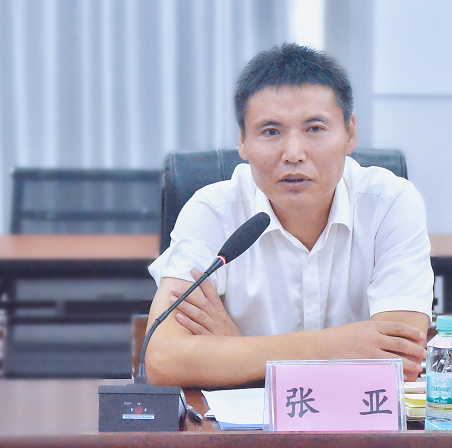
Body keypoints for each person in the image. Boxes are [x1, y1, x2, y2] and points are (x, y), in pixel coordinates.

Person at [146, 43, 433, 388]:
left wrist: (235, 349)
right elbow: (162, 359)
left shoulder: (390, 203)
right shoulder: (212, 211)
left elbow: (398, 362)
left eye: (315, 129)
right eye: (271, 132)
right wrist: (334, 346)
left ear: (349, 134)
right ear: (242, 142)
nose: (294, 154)